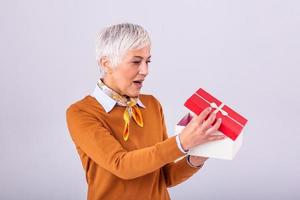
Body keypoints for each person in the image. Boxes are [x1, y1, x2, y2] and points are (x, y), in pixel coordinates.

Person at [66, 23, 225, 200]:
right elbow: (122, 166)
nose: (145, 70)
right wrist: (181, 143)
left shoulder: (151, 104)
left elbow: (165, 176)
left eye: (147, 61)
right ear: (106, 63)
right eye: (136, 62)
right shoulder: (81, 113)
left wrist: (197, 156)